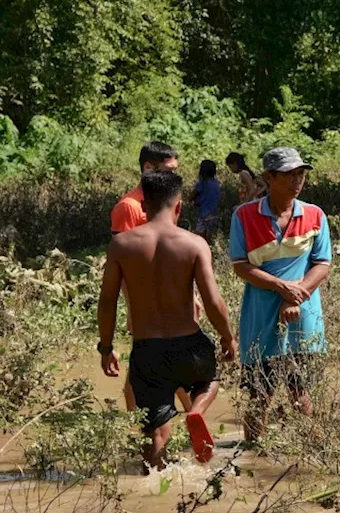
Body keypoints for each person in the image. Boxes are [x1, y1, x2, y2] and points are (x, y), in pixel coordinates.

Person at [97, 172, 236, 468]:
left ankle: (153, 481)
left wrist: (106, 347)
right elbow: (212, 301)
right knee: (209, 382)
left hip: (147, 349)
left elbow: (107, 301)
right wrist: (227, 337)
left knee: (156, 431)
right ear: (179, 206)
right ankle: (196, 411)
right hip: (189, 345)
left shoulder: (121, 245)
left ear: (144, 205)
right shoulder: (194, 243)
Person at [229, 147, 332, 443]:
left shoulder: (314, 215)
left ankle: (312, 452)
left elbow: (322, 264)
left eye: (301, 174)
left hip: (304, 319)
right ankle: (252, 453)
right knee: (259, 395)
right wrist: (280, 287)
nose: (297, 180)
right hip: (261, 318)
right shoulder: (245, 215)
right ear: (269, 178)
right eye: (289, 174)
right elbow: (240, 266)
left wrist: (293, 297)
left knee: (301, 391)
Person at [111, 140, 190, 415]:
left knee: (156, 362)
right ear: (148, 168)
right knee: (156, 363)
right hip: (146, 301)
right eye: (169, 170)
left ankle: (151, 426)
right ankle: (145, 428)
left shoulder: (168, 199)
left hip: (171, 297)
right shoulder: (129, 207)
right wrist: (134, 308)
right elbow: (121, 266)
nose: (175, 176)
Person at [192, 159, 222, 241]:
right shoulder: (216, 183)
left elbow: (192, 195)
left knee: (199, 237)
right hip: (214, 213)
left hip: (203, 214)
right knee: (209, 237)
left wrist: (194, 201)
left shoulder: (201, 183)